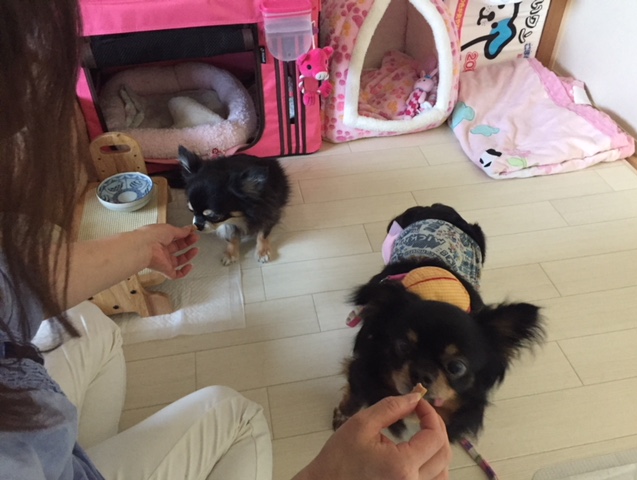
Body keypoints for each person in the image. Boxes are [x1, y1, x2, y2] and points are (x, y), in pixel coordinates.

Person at [0, 1, 451, 479]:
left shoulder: (254, 200)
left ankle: (91, 447)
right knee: (236, 415)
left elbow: (12, 286)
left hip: (35, 410)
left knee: (91, 322)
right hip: (44, 458)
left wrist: (141, 245)